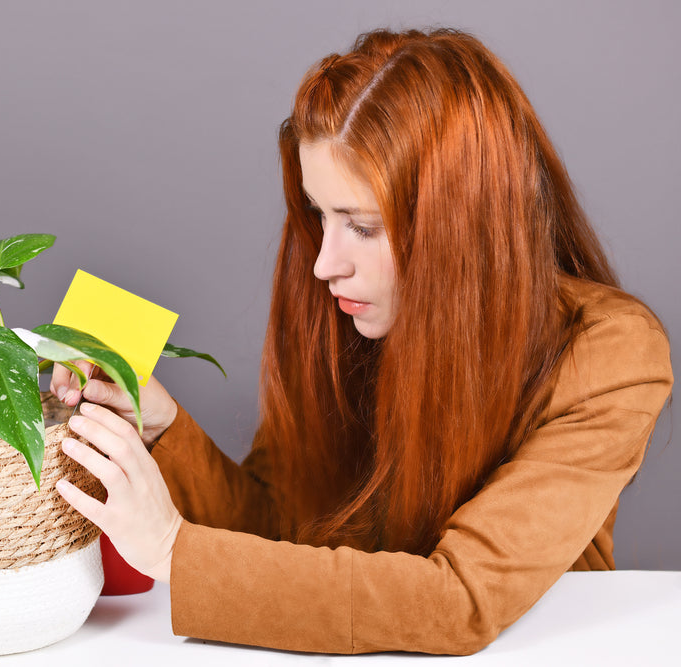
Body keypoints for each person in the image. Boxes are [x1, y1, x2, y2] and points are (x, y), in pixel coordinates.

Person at [50, 28, 673, 655]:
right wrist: (164, 428)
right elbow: (284, 533)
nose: (324, 264)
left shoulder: (611, 356)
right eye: (319, 215)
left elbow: (459, 600)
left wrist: (170, 550)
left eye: (364, 227)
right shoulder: (346, 324)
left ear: (465, 227)